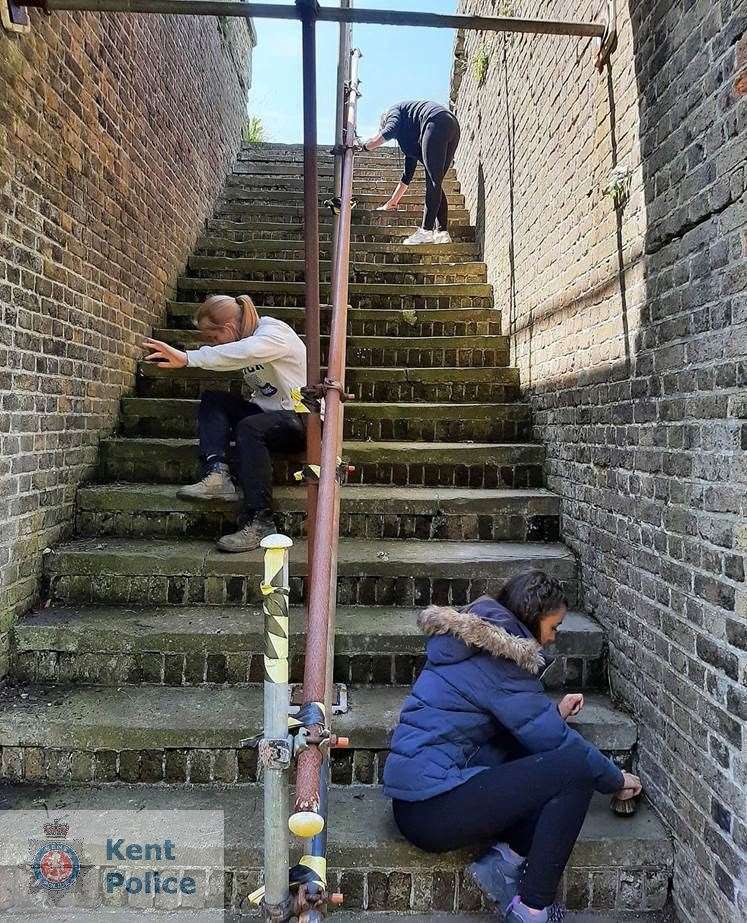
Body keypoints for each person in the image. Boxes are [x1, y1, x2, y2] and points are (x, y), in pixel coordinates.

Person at [383, 571, 642, 922]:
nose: (552, 639)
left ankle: (503, 863)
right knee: (576, 769)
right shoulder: (500, 661)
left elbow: (520, 725)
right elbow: (559, 744)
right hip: (431, 808)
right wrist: (616, 780)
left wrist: (551, 715)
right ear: (532, 619)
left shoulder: (474, 646)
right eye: (553, 627)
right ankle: (532, 908)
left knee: (539, 756)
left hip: (422, 799)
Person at [142, 294, 306, 553]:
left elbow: (247, 351)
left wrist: (188, 358)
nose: (213, 345)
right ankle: (217, 473)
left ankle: (261, 520)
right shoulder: (245, 336)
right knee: (214, 400)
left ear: (228, 328)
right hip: (264, 413)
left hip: (296, 419)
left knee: (249, 427)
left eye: (214, 338)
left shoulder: (273, 332)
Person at [360, 100, 461, 246]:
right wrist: (392, 202)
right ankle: (442, 232)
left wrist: (366, 146)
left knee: (433, 181)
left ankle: (426, 231)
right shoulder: (410, 137)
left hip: (435, 121)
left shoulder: (393, 111)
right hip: (451, 125)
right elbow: (407, 176)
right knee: (435, 181)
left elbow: (389, 131)